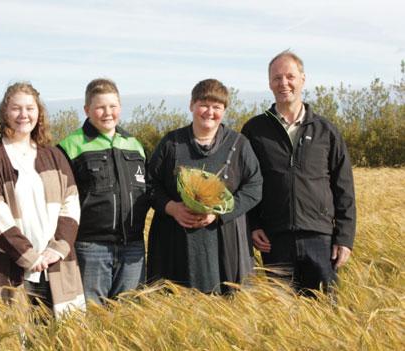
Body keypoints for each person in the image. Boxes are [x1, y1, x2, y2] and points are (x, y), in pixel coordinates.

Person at [241, 50, 356, 295]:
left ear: (303, 79)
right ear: (269, 83)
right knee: (280, 318)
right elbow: (246, 183)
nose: (283, 83)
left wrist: (344, 238)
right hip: (274, 239)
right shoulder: (254, 130)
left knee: (326, 313)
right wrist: (253, 225)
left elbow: (343, 187)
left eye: (290, 76)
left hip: (320, 238)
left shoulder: (326, 131)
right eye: (276, 78)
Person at [0, 82, 85, 317]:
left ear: (39, 112)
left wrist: (58, 248)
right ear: (5, 113)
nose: (23, 115)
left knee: (62, 334)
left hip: (55, 264)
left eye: (30, 108)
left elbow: (71, 202)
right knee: (13, 336)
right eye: (16, 108)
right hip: (9, 265)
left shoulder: (53, 155)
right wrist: (30, 256)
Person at [146, 79, 262, 294]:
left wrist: (219, 213)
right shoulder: (172, 143)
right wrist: (172, 207)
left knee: (226, 308)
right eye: (204, 105)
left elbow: (254, 187)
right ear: (192, 106)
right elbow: (150, 184)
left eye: (217, 107)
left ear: (224, 111)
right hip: (174, 244)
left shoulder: (239, 144)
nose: (210, 112)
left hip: (225, 242)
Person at [58, 78, 149, 304]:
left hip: (133, 247)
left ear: (120, 107)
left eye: (113, 106)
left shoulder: (134, 144)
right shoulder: (69, 146)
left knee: (129, 318)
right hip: (91, 248)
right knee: (91, 317)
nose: (107, 113)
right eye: (100, 107)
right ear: (87, 110)